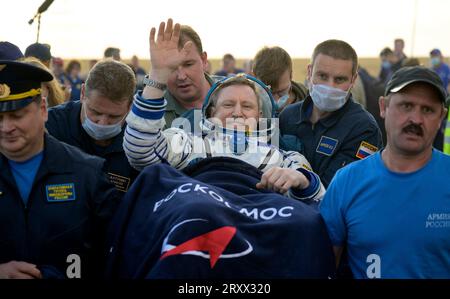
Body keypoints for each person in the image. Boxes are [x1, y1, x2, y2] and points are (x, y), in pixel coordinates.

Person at [320, 66, 450, 279]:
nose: (415, 119)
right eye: (406, 106)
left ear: (441, 118)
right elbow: (323, 266)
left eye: (427, 110)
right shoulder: (347, 182)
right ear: (383, 107)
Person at [0, 60, 119, 279]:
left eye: (17, 115)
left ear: (43, 109)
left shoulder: (87, 175)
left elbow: (116, 256)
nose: (6, 127)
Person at [279, 39, 383, 188]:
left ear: (353, 80)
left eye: (339, 79)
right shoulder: (288, 116)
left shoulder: (363, 128)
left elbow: (340, 190)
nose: (329, 86)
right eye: (322, 76)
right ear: (309, 72)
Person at [46, 59, 139, 194]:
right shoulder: (51, 126)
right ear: (83, 93)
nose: (102, 123)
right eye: (95, 112)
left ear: (130, 106)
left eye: (113, 117)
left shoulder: (139, 141)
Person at [143, 19, 222, 129]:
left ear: (204, 60)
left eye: (188, 64)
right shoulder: (152, 105)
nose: (181, 76)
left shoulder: (235, 93)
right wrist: (156, 76)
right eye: (172, 68)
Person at [252, 46, 308, 113]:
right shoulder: (245, 106)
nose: (275, 100)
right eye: (268, 93)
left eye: (281, 92)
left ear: (291, 75)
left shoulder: (309, 101)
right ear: (254, 78)